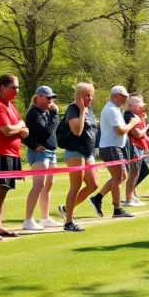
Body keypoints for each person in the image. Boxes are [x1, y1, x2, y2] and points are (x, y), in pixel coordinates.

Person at [0, 74, 28, 241]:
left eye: (17, 88)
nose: (16, 91)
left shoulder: (10, 105)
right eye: (13, 87)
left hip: (12, 153)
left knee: (4, 190)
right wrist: (20, 127)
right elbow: (7, 130)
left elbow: (23, 126)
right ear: (2, 88)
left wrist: (21, 127)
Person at [89, 86, 140, 219]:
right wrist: (133, 123)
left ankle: (97, 198)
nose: (125, 100)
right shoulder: (111, 109)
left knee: (122, 176)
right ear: (116, 96)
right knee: (118, 178)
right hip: (111, 147)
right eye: (123, 97)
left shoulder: (115, 108)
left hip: (114, 146)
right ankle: (117, 209)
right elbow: (120, 130)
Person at [57, 83, 98, 232]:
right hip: (75, 152)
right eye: (87, 95)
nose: (91, 98)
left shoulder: (89, 109)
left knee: (93, 184)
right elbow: (77, 131)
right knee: (75, 187)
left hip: (88, 153)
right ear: (79, 96)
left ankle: (66, 208)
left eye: (91, 95)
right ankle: (68, 222)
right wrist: (81, 110)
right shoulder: (73, 109)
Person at [22, 86, 63, 230]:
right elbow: (46, 131)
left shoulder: (45, 112)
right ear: (38, 97)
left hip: (50, 152)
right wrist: (54, 115)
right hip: (39, 153)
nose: (51, 100)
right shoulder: (34, 113)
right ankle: (28, 220)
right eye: (48, 98)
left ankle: (45, 218)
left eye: (52, 98)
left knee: (47, 186)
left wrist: (51, 115)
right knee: (38, 185)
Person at [123, 95, 149, 207]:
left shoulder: (137, 116)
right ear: (130, 106)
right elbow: (137, 134)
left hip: (139, 147)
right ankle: (128, 198)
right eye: (138, 104)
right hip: (133, 146)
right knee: (133, 173)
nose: (141, 106)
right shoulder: (128, 115)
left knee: (138, 172)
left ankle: (132, 195)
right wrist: (147, 127)